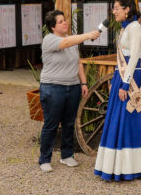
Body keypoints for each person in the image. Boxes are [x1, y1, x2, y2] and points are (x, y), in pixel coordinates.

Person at [95, 0, 141, 181]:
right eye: (113, 8)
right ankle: (116, 165)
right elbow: (121, 57)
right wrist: (116, 81)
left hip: (131, 77)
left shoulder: (135, 28)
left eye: (117, 8)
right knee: (117, 118)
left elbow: (135, 56)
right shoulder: (124, 28)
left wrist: (125, 84)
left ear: (127, 9)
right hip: (121, 75)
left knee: (129, 118)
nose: (113, 12)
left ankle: (132, 166)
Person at [38, 10, 101, 173]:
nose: (64, 23)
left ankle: (67, 156)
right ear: (52, 27)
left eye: (64, 20)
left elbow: (78, 63)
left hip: (72, 87)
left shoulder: (71, 41)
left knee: (68, 123)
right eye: (60, 22)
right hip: (53, 87)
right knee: (51, 125)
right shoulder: (49, 40)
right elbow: (65, 44)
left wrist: (84, 82)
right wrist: (88, 35)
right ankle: (44, 159)